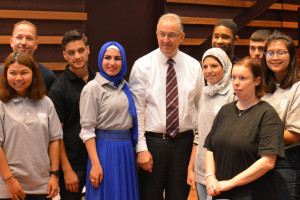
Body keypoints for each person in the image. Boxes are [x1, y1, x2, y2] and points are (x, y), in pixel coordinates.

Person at [129, 13, 204, 200]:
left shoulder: (194, 67)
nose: (166, 40)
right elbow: (137, 111)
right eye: (162, 34)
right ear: (156, 34)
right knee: (149, 196)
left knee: (179, 195)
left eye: (171, 35)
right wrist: (141, 148)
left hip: (184, 144)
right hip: (153, 144)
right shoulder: (142, 66)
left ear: (182, 37)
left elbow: (201, 108)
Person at [204, 57, 285, 200]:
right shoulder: (225, 111)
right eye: (233, 77)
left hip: (253, 193)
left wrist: (231, 183)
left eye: (242, 78)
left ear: (257, 81)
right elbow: (210, 147)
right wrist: (210, 176)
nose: (236, 83)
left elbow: (267, 162)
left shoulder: (267, 115)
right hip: (222, 192)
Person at [79, 41, 139, 200]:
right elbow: (87, 131)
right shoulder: (92, 88)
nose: (112, 63)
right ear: (100, 60)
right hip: (104, 152)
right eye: (107, 58)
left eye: (117, 58)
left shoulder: (124, 85)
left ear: (123, 61)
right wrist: (96, 164)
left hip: (126, 150)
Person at [0, 52, 62, 200]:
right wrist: (9, 180)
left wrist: (54, 175)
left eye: (24, 72)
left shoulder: (46, 102)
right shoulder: (1, 104)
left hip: (43, 185)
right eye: (13, 73)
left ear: (33, 74)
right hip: (10, 186)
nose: (18, 78)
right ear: (5, 75)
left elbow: (54, 140)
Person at [48, 30, 96, 200]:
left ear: (88, 49)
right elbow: (55, 135)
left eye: (81, 50)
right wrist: (66, 170)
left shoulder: (99, 80)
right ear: (64, 55)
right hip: (73, 163)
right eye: (71, 53)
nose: (77, 56)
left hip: (98, 158)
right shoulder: (58, 89)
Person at [187, 48, 235, 200]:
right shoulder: (205, 93)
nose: (209, 71)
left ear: (225, 67)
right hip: (201, 167)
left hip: (222, 169)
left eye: (214, 66)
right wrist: (191, 167)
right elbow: (199, 133)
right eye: (205, 67)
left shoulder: (234, 93)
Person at [261, 30, 300, 200]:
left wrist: (255, 134)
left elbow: (293, 135)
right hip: (260, 158)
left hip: (287, 161)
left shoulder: (297, 88)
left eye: (280, 52)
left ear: (291, 56)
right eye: (270, 53)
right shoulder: (262, 87)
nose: (274, 57)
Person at [0, 20, 56, 92]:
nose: (23, 42)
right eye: (19, 37)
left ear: (36, 45)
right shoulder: (0, 72)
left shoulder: (48, 76)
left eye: (29, 38)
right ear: (11, 42)